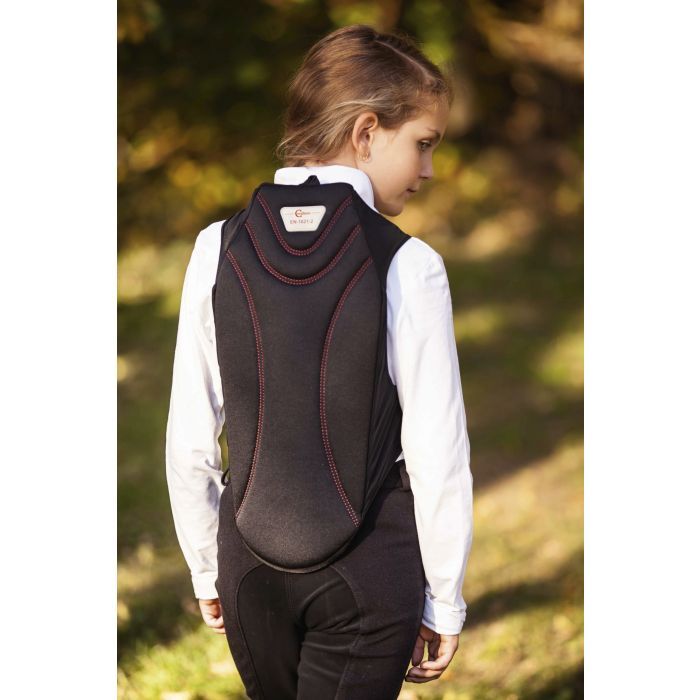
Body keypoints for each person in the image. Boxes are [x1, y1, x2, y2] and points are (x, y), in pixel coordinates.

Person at [165, 24, 474, 699]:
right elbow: (437, 453)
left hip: (248, 570)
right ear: (366, 132)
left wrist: (207, 567)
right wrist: (445, 598)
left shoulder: (217, 247)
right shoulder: (408, 263)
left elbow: (190, 441)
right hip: (367, 572)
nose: (427, 171)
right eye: (423, 144)